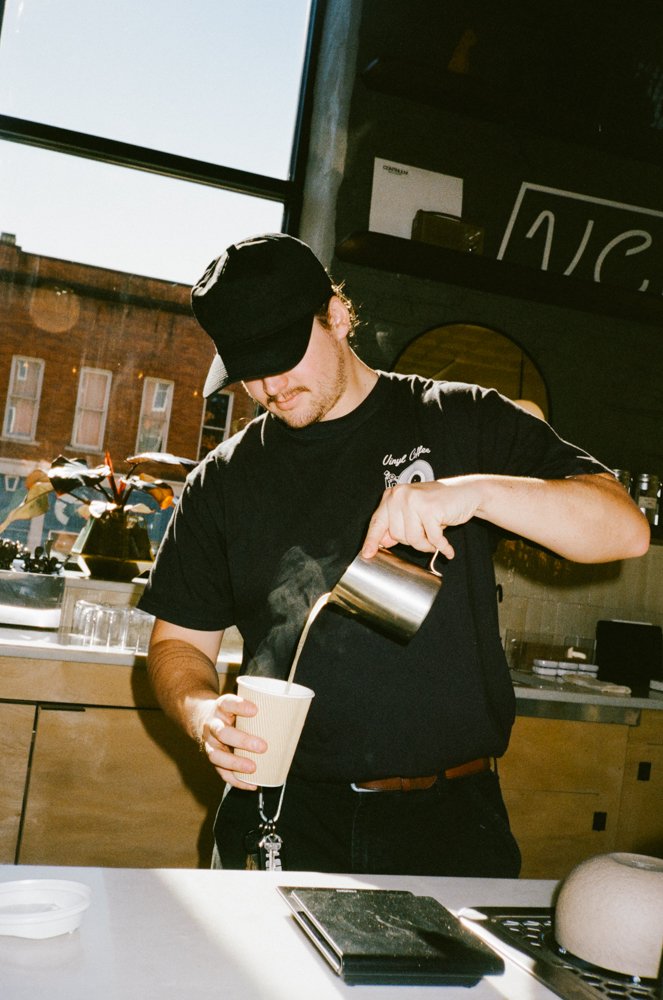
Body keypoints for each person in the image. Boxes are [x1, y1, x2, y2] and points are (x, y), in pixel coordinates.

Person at [139, 232, 649, 877]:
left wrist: (474, 493)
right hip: (285, 810)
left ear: (338, 316)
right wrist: (201, 712)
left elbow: (622, 530)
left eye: (283, 355)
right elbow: (178, 646)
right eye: (248, 369)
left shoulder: (459, 419)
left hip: (447, 818)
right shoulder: (223, 481)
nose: (270, 385)